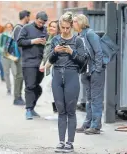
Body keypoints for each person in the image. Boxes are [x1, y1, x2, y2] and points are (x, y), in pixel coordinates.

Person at [48, 12, 87, 153]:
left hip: (71, 75)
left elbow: (82, 60)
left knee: (71, 110)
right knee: (60, 110)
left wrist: (71, 51)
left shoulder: (78, 41)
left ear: (71, 26)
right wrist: (55, 51)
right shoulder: (55, 40)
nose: (64, 31)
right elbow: (50, 60)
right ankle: (60, 141)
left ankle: (70, 142)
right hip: (57, 75)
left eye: (67, 28)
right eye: (62, 27)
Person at [73, 14, 105, 135]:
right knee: (89, 99)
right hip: (85, 71)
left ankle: (96, 126)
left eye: (75, 21)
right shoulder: (79, 36)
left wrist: (97, 70)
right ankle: (87, 124)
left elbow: (98, 53)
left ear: (81, 22)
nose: (73, 23)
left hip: (94, 71)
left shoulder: (90, 34)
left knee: (96, 99)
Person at [17, 11, 48, 120]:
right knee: (30, 86)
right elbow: (19, 42)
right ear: (36, 19)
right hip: (28, 62)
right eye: (40, 22)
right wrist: (33, 41)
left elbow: (48, 44)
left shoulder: (45, 30)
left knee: (37, 88)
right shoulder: (26, 28)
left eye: (43, 23)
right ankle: (28, 110)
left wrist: (45, 43)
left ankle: (32, 107)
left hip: (41, 63)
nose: (41, 25)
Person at [39, 20, 60, 113]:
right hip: (47, 66)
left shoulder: (57, 39)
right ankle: (55, 109)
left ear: (58, 29)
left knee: (51, 87)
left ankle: (58, 109)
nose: (51, 28)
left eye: (54, 27)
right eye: (50, 26)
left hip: (53, 67)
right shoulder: (50, 38)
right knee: (49, 88)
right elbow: (46, 54)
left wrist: (46, 65)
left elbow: (54, 55)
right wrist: (42, 64)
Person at [11, 10, 31, 105]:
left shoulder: (21, 27)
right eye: (29, 16)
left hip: (21, 56)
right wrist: (23, 56)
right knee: (19, 76)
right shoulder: (18, 28)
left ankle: (19, 97)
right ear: (25, 17)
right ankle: (17, 98)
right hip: (19, 56)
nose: (29, 18)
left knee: (20, 76)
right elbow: (19, 44)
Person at [0, 23, 15, 95]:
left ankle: (16, 89)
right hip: (5, 57)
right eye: (7, 27)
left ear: (12, 27)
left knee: (15, 73)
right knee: (6, 73)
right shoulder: (2, 35)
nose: (9, 28)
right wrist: (2, 50)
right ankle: (8, 89)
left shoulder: (15, 35)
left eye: (10, 27)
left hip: (13, 57)